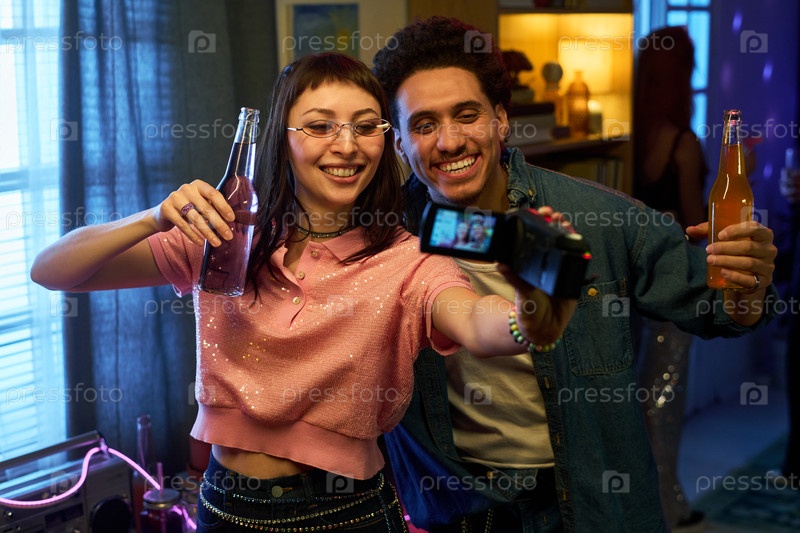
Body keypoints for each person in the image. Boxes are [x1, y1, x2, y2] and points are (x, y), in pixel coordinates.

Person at [29, 52, 577, 532]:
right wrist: (153, 217)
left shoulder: (408, 259)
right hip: (224, 505)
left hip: (347, 512)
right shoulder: (226, 237)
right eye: (320, 126)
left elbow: (478, 322)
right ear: (282, 138)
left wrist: (531, 313)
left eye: (366, 127)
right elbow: (52, 271)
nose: (347, 146)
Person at [372, 16, 779, 532]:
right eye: (424, 125)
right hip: (458, 511)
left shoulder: (598, 218)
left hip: (590, 507)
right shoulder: (379, 240)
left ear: (501, 119)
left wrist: (748, 280)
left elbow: (721, 310)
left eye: (467, 115)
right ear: (400, 143)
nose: (449, 141)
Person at [632, 26, 708, 529]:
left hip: (626, 281)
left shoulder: (631, 136)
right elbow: (695, 225)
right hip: (669, 284)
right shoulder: (683, 144)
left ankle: (644, 499)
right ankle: (666, 502)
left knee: (633, 394)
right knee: (665, 394)